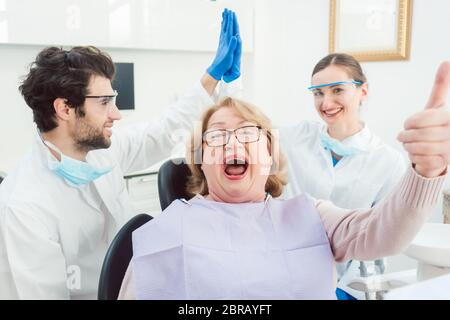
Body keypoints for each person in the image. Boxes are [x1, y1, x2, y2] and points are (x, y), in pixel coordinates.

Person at [118, 61, 450, 299]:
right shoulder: (164, 231)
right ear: (200, 160)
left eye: (248, 133)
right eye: (217, 136)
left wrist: (426, 171)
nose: (233, 143)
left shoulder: (312, 215)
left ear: (271, 155)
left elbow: (383, 234)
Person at [0, 9, 242, 299]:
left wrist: (212, 76)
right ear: (64, 108)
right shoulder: (24, 206)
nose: (116, 114)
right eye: (104, 102)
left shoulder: (99, 152)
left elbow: (162, 131)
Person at [279, 53, 408, 298]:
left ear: (363, 91)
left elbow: (383, 236)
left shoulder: (388, 162)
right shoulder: (296, 138)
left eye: (337, 90)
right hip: (285, 272)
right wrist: (224, 81)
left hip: (347, 284)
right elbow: (242, 130)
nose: (326, 103)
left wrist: (345, 288)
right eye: (318, 93)